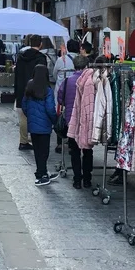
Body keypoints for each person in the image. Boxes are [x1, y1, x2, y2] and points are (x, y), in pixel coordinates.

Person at [58, 55, 92, 189]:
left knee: (75, 151)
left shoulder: (67, 81)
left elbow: (60, 99)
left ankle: (77, 180)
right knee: (87, 151)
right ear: (86, 66)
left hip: (70, 121)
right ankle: (87, 179)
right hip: (86, 121)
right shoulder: (90, 81)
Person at [22, 65, 58, 186]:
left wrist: (31, 117)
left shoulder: (29, 87)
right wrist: (54, 120)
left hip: (33, 126)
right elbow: (50, 109)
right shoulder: (47, 90)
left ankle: (42, 172)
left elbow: (24, 106)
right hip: (45, 126)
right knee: (44, 151)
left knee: (37, 151)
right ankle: (40, 174)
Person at [14, 34, 48, 151]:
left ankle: (23, 141)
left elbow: (16, 75)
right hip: (37, 90)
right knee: (36, 115)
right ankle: (34, 139)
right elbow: (43, 76)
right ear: (40, 44)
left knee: (23, 117)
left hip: (22, 89)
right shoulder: (41, 58)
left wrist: (16, 91)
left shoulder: (21, 57)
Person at [53, 39, 80, 152]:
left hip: (62, 91)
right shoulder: (81, 60)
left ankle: (60, 142)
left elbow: (54, 73)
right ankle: (71, 142)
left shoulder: (61, 60)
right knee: (74, 116)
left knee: (60, 116)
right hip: (75, 92)